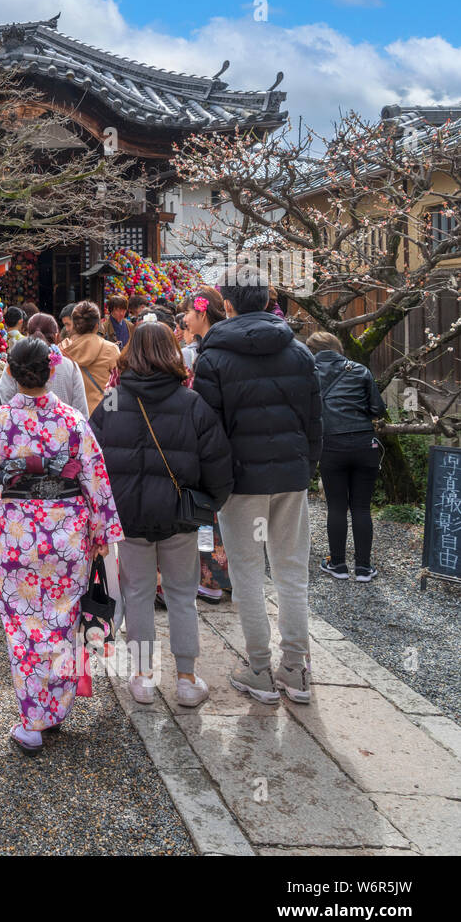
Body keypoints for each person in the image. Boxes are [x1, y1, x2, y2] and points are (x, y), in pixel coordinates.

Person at [0, 338, 123, 754]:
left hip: (19, 532)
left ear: (12, 374)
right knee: (61, 622)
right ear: (51, 371)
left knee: (23, 628)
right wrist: (103, 532)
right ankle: (53, 710)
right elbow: (95, 477)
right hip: (68, 533)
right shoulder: (72, 420)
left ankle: (32, 721)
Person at [194, 267, 322, 705]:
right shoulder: (300, 352)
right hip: (291, 477)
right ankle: (296, 670)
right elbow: (313, 421)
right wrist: (307, 467)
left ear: (226, 305)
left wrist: (214, 484)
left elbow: (207, 432)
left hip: (240, 482)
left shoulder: (213, 357)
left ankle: (260, 670)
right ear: (269, 301)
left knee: (248, 572)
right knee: (291, 570)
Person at [91, 324, 234, 708]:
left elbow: (90, 460)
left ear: (130, 353)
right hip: (178, 517)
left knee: (137, 592)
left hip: (129, 517)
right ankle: (186, 679)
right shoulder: (192, 403)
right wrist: (207, 505)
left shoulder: (111, 401)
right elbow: (219, 466)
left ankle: (142, 677)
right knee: (182, 595)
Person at [309, 331, 387, 582]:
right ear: (338, 347)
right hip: (365, 443)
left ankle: (338, 565)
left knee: (337, 507)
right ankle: (364, 568)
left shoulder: (309, 373)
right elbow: (377, 409)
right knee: (362, 507)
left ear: (313, 351)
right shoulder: (360, 370)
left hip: (332, 444)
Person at [183, 286, 232, 602]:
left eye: (188, 312)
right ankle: (227, 577)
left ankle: (212, 579)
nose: (185, 319)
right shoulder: (229, 344)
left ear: (201, 313)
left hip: (210, 446)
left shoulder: (205, 354)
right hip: (235, 442)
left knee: (209, 518)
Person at [0, 313, 87, 413]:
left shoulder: (16, 361)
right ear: (56, 336)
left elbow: (3, 398)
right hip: (64, 426)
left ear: (28, 335)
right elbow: (81, 410)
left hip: (15, 425)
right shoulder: (70, 366)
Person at [64, 301, 120, 416]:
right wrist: (113, 413)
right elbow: (116, 387)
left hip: (72, 417)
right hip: (101, 415)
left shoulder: (62, 350)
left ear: (74, 325)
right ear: (96, 325)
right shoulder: (110, 349)